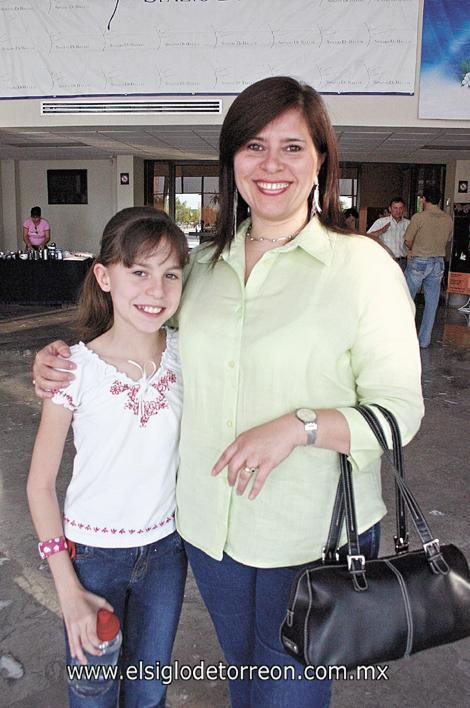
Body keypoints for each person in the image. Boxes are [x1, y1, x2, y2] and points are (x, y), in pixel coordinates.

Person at [32, 77, 424, 708]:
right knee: (245, 679)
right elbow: (143, 335)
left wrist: (297, 426)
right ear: (232, 162)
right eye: (254, 146)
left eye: (293, 147)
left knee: (289, 689)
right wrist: (58, 359)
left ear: (322, 159)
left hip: (309, 537)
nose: (272, 165)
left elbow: (400, 413)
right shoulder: (204, 269)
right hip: (210, 534)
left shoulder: (363, 268)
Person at [27, 207, 188, 707]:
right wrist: (67, 589)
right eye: (138, 271)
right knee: (93, 693)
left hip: (167, 553)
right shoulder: (74, 369)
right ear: (103, 275)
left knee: (147, 692)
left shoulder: (190, 354)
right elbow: (39, 484)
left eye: (170, 275)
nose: (155, 291)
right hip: (91, 559)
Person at [404, 188, 454, 348]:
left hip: (419, 260)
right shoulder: (448, 219)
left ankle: (402, 337)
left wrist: (412, 250)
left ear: (423, 199)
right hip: (438, 262)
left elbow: (407, 240)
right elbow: (448, 240)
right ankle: (424, 341)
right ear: (439, 200)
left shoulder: (419, 217)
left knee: (405, 299)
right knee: (431, 304)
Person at [367, 197, 410, 270]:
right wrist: (381, 231)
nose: (398, 211)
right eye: (395, 208)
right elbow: (368, 236)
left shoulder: (408, 223)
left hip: (402, 261)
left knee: (400, 281)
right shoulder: (381, 222)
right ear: (390, 209)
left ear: (404, 209)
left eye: (400, 208)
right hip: (385, 260)